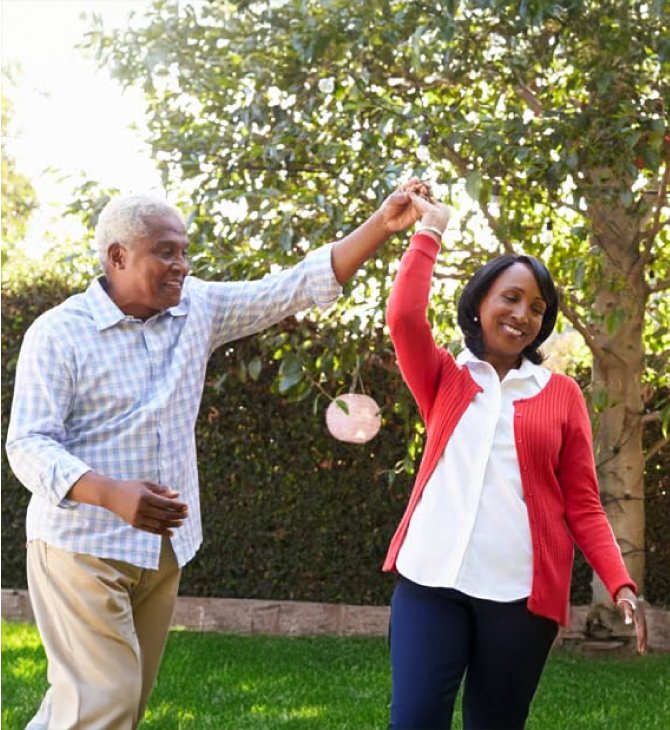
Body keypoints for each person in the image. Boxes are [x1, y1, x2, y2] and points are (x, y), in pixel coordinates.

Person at [6, 187, 424, 730]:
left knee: (107, 706)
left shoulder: (196, 308)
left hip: (162, 549)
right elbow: (28, 444)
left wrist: (381, 225)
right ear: (117, 257)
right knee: (104, 700)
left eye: (183, 251)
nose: (181, 265)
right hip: (79, 546)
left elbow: (289, 288)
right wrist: (109, 492)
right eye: (165, 251)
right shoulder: (58, 334)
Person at [383, 192, 648, 730]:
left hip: (519, 600)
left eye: (537, 308)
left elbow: (584, 504)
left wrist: (619, 582)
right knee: (413, 721)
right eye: (510, 298)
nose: (522, 314)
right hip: (430, 583)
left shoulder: (561, 393)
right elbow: (405, 318)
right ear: (480, 302)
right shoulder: (445, 378)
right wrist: (429, 231)